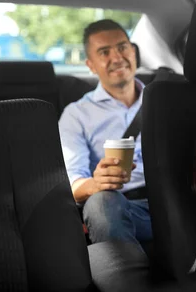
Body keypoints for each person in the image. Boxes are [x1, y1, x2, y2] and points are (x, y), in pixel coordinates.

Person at [59, 19, 152, 248]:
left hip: (172, 203)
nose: (117, 58)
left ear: (133, 51)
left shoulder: (162, 99)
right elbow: (71, 185)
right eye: (104, 52)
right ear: (90, 64)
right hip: (121, 207)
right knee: (101, 203)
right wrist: (97, 184)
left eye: (122, 47)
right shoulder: (76, 115)